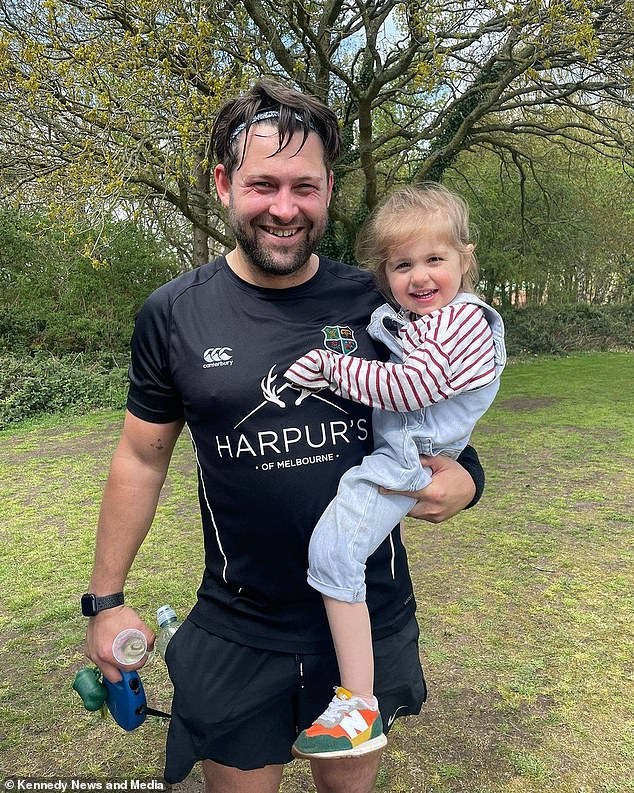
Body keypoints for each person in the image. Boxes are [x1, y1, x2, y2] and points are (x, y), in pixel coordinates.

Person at [83, 79, 486, 793]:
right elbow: (141, 456)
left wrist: (471, 476)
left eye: (305, 186)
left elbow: (437, 404)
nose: (284, 207)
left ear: (329, 188)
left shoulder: (376, 298)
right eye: (262, 183)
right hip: (243, 624)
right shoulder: (173, 314)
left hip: (367, 611)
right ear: (222, 184)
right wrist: (105, 598)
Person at [284, 184, 506, 759]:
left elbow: (413, 389)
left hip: (406, 456)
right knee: (335, 555)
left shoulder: (455, 322)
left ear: (465, 258)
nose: (419, 276)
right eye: (402, 264)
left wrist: (334, 368)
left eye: (435, 259)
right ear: (384, 272)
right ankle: (359, 700)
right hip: (405, 452)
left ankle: (359, 703)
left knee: (333, 554)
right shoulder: (423, 320)